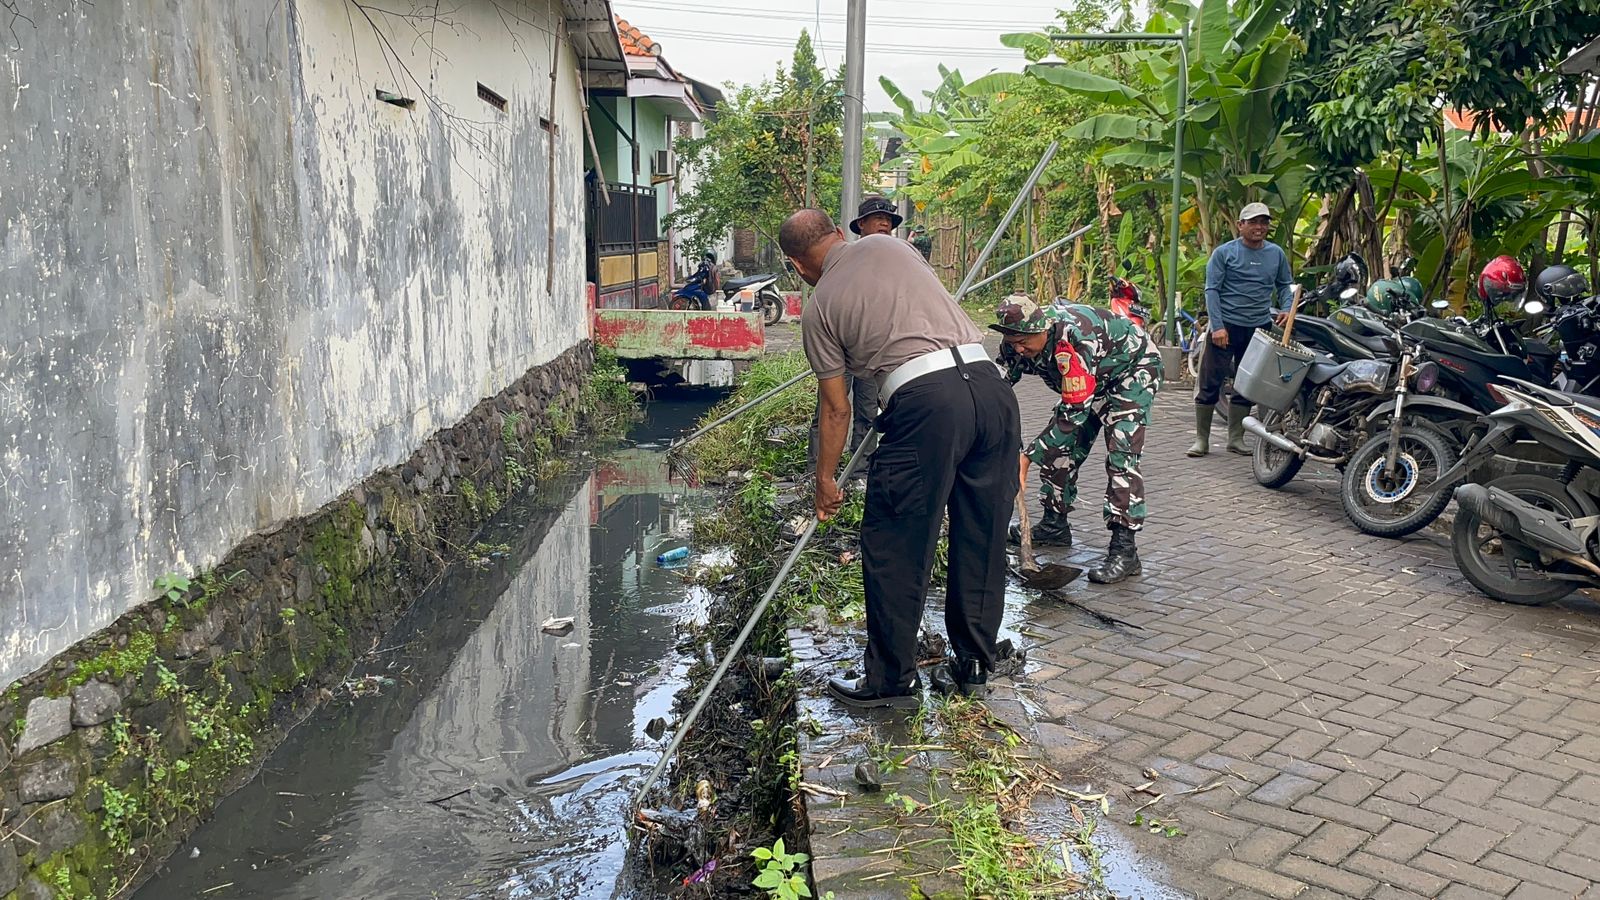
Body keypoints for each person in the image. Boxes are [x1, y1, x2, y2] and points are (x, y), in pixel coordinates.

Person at [784, 208, 1019, 708]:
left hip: (927, 404)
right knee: (982, 532)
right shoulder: (892, 246)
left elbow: (836, 407)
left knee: (895, 540)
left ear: (798, 265)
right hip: (990, 388)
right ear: (836, 233)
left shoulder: (819, 306)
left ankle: (890, 680)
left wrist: (825, 480)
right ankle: (973, 666)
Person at [993, 294, 1163, 585]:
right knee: (1059, 449)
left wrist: (1026, 458)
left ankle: (1125, 550)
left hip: (1131, 372)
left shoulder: (1074, 340)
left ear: (1042, 330)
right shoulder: (1016, 341)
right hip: (1088, 384)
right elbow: (996, 387)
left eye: (1024, 341)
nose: (1019, 348)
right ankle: (1054, 525)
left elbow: (1073, 414)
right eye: (1012, 342)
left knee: (1121, 457)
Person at [1190, 202, 1295, 457]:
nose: (1259, 227)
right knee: (1210, 382)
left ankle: (1235, 438)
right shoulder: (1225, 253)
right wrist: (1217, 326)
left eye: (1264, 222)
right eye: (1253, 222)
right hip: (1226, 327)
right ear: (1240, 225)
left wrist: (1287, 307)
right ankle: (1201, 440)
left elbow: (1285, 285)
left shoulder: (1276, 254)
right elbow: (1212, 290)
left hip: (1258, 327)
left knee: (1247, 384)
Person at [803, 197, 898, 472]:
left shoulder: (896, 259)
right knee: (830, 409)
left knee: (868, 410)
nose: (884, 223)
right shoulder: (845, 257)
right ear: (861, 225)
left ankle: (860, 470)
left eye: (889, 220)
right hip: (839, 346)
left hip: (872, 349)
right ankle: (818, 472)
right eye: (878, 218)